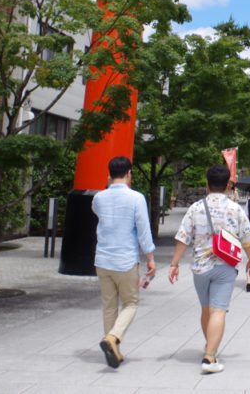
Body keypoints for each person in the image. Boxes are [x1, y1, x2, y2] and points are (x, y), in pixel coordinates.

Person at [169, 164, 250, 374]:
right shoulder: (235, 208)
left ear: (207, 185)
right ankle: (210, 356)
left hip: (200, 267)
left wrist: (174, 264)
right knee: (219, 310)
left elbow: (183, 237)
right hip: (224, 266)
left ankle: (210, 347)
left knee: (206, 309)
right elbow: (247, 238)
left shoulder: (196, 208)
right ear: (228, 185)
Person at [92, 156, 156, 369]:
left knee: (109, 306)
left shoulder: (99, 198)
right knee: (131, 303)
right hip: (126, 260)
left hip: (102, 259)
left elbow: (97, 213)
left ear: (109, 174)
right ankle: (113, 338)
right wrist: (150, 258)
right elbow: (143, 230)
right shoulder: (136, 198)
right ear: (129, 173)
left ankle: (114, 349)